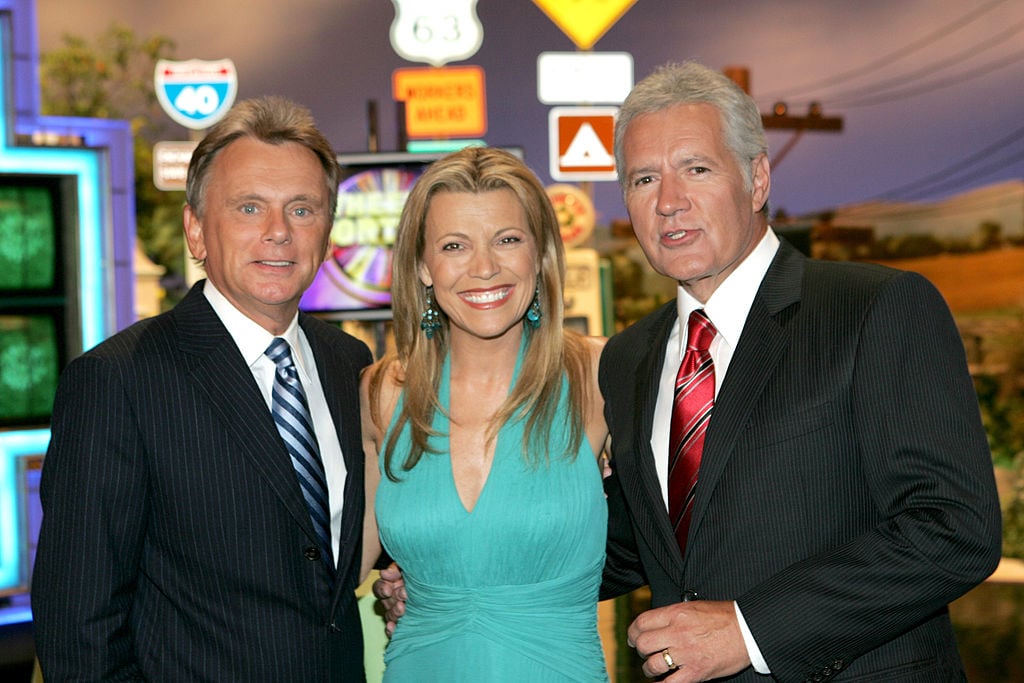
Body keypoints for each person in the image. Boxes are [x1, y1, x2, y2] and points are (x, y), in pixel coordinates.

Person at [598, 61, 1003, 681]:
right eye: (643, 178)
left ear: (757, 178)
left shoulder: (875, 309)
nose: (669, 202)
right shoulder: (628, 358)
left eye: (697, 169)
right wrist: (452, 571)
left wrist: (750, 630)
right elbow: (629, 541)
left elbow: (953, 528)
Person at [31, 96, 373, 681]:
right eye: (248, 207)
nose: (278, 233)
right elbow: (78, 630)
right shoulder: (118, 380)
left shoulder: (351, 364)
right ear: (196, 231)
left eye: (302, 209)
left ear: (328, 230)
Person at [359, 146, 610, 681]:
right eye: (455, 246)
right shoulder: (382, 394)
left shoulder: (597, 377)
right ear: (423, 267)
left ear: (539, 254)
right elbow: (330, 572)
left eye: (508, 239)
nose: (484, 267)